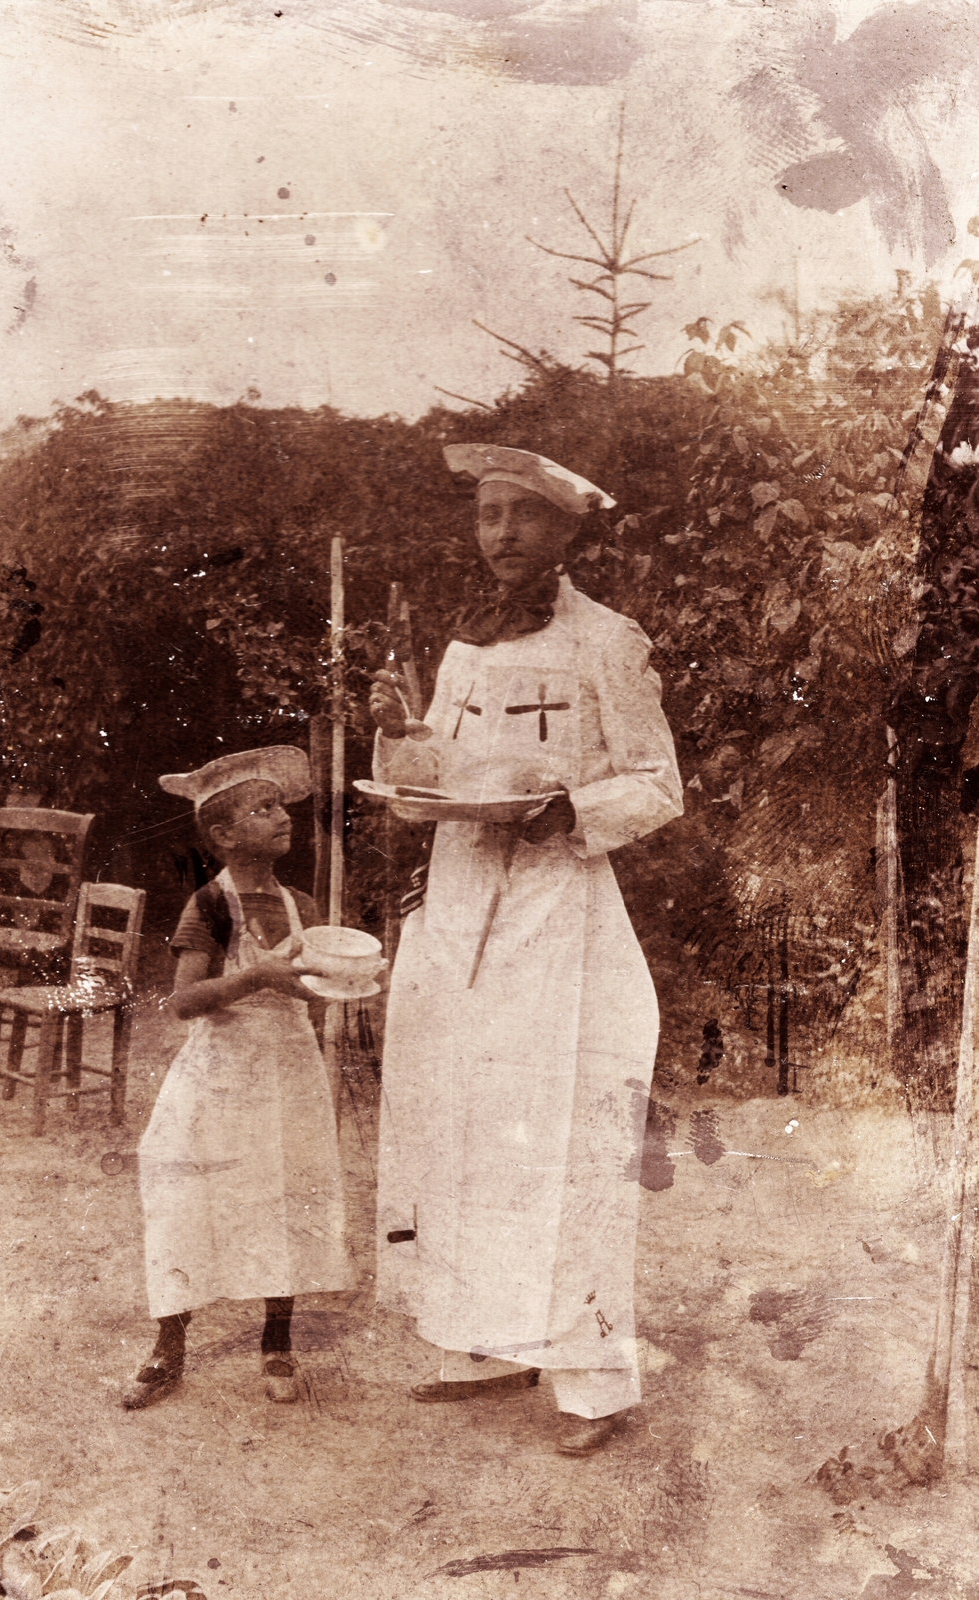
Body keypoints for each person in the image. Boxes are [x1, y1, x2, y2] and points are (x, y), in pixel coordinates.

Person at [369, 444, 683, 1457]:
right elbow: (433, 778)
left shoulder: (606, 641)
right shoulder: (465, 647)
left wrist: (567, 809)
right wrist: (398, 731)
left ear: (565, 531)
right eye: (486, 515)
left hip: (559, 922)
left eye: (522, 517)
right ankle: (494, 1339)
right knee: (464, 1131)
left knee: (564, 1140)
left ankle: (593, 1382)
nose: (499, 534)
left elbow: (654, 783)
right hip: (460, 907)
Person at [124, 746, 354, 1410]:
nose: (284, 817)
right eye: (265, 808)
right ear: (224, 834)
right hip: (221, 1074)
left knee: (284, 1195)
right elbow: (184, 1001)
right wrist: (255, 976)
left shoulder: (300, 902)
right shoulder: (210, 907)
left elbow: (309, 989)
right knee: (187, 1199)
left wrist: (349, 978)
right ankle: (169, 1345)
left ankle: (277, 1342)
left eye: (282, 806)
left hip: (288, 1070)